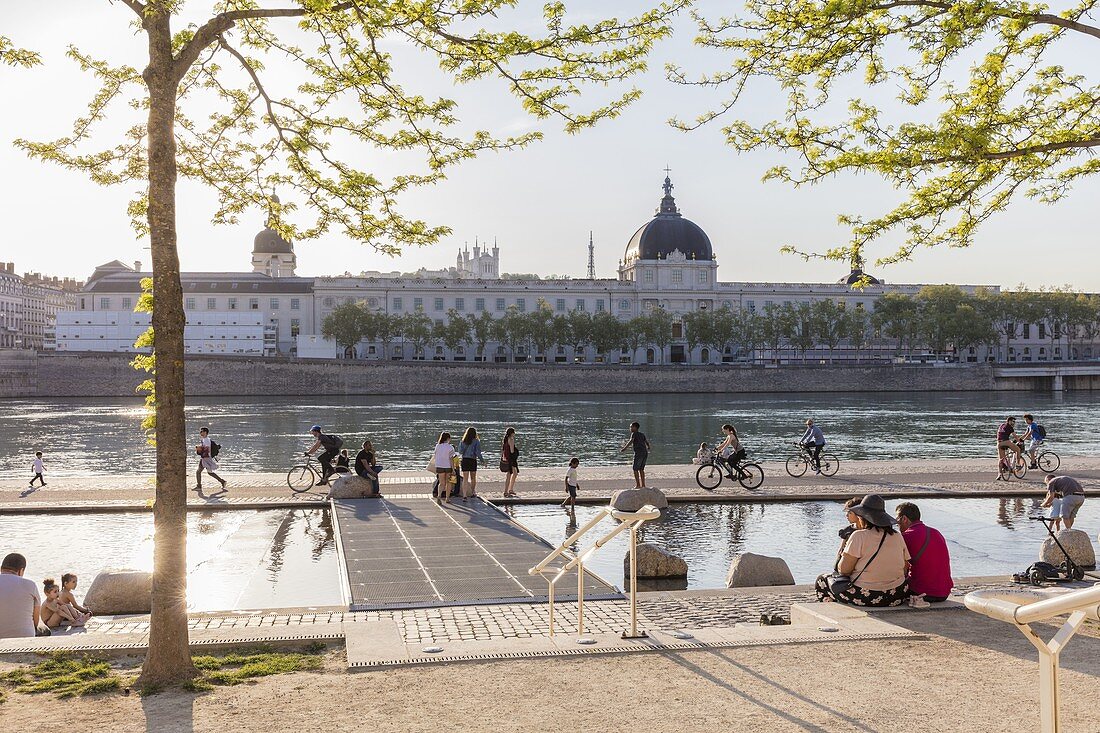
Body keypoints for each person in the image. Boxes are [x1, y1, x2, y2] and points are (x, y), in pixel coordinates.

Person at [816, 494, 911, 607]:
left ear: (863, 518)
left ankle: (833, 610)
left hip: (867, 595)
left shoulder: (859, 536)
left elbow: (844, 570)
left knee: (821, 580)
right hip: (897, 594)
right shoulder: (897, 536)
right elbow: (905, 567)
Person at [895, 502, 954, 603]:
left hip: (921, 592)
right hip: (944, 593)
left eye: (897, 520)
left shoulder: (906, 536)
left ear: (904, 519)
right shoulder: (936, 532)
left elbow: (898, 566)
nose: (897, 525)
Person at [0, 553, 42, 639]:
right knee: (44, 628)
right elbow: (36, 619)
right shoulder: (31, 585)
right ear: (21, 570)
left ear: (1, 569)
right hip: (25, 636)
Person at [194, 427, 227, 491]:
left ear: (205, 432)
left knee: (198, 471)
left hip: (205, 458)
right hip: (207, 457)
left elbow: (206, 450)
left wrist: (199, 449)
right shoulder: (205, 439)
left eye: (202, 431)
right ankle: (222, 481)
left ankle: (199, 486)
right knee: (209, 472)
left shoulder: (206, 440)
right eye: (200, 431)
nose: (200, 433)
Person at [620, 421, 652, 488]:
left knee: (635, 469)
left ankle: (638, 485)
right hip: (644, 452)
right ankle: (643, 485)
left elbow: (631, 441)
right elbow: (646, 442)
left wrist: (624, 448)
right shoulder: (642, 434)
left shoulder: (634, 434)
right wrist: (648, 447)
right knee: (641, 469)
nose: (630, 428)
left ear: (635, 427)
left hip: (639, 453)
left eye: (631, 427)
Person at [995, 416, 1025, 480]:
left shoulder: (1002, 425)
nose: (1013, 423)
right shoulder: (1010, 427)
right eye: (1012, 421)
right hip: (1006, 442)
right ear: (1008, 421)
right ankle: (1018, 464)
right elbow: (1015, 436)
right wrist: (1019, 442)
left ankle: (999, 474)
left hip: (999, 443)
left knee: (1001, 459)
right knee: (1018, 450)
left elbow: (1000, 434)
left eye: (1014, 422)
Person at [459, 427, 484, 499]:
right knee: (473, 478)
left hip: (465, 460)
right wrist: (482, 461)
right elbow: (478, 452)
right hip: (472, 460)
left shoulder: (463, 441)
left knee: (465, 478)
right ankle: (473, 492)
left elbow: (460, 451)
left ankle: (464, 495)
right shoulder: (476, 441)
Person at [433, 432, 457, 504]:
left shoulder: (437, 446)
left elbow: (435, 455)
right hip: (448, 466)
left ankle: (439, 496)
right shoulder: (450, 447)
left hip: (439, 466)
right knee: (448, 482)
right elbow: (451, 459)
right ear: (448, 438)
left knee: (441, 483)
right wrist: (453, 469)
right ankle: (447, 498)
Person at [500, 427, 519, 498]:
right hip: (511, 459)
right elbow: (512, 451)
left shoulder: (505, 440)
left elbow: (504, 450)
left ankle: (510, 489)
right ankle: (506, 491)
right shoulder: (511, 439)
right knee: (510, 474)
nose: (514, 434)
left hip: (507, 458)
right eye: (514, 432)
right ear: (512, 433)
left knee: (514, 473)